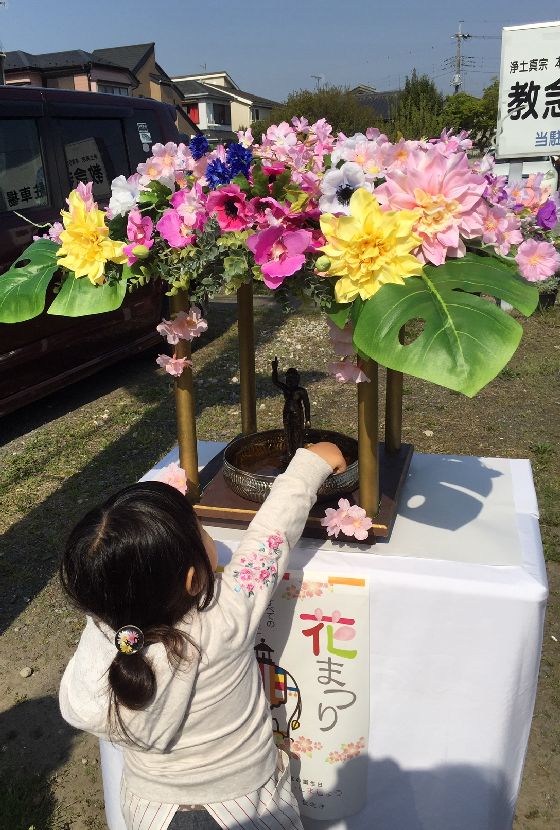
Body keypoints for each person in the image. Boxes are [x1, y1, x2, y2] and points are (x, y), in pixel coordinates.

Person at [59, 442, 346, 830]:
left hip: (151, 811)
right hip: (247, 808)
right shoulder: (225, 618)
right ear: (194, 579)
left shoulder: (110, 633)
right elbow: (269, 538)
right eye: (201, 531)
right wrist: (311, 465)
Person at [271, 357, 311, 461]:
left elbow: (307, 405)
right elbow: (275, 381)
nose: (291, 381)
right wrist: (274, 368)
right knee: (288, 432)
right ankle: (289, 452)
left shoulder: (301, 391)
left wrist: (308, 419)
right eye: (289, 379)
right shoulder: (286, 388)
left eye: (293, 379)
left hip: (297, 414)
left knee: (298, 432)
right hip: (287, 413)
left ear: (297, 379)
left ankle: (299, 452)